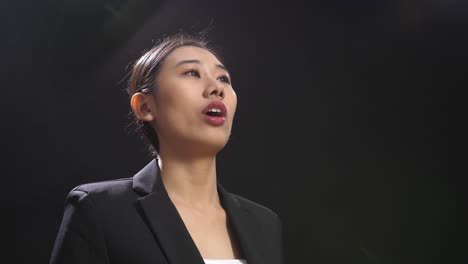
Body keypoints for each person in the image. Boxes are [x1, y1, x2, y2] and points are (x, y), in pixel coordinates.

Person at [49, 32, 284, 264]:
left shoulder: (264, 223)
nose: (216, 88)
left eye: (223, 78)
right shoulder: (100, 210)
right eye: (192, 73)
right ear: (144, 106)